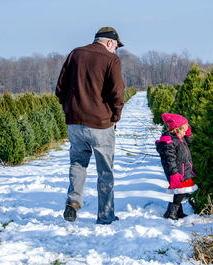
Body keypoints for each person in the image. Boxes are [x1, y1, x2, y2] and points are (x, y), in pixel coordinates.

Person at [55, 26, 125, 224]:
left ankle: (73, 202)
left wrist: (70, 109)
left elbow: (60, 88)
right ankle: (105, 215)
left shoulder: (75, 54)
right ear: (110, 43)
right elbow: (118, 92)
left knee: (78, 163)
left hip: (75, 123)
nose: (116, 50)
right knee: (105, 171)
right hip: (101, 124)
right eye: (116, 46)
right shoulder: (111, 59)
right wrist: (115, 116)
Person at [155, 113, 198, 220]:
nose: (184, 133)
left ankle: (178, 212)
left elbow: (189, 142)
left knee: (180, 192)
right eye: (183, 131)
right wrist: (173, 173)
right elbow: (169, 160)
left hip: (182, 170)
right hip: (176, 172)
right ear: (176, 129)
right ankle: (171, 213)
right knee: (179, 193)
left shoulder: (180, 138)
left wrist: (187, 132)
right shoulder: (169, 142)